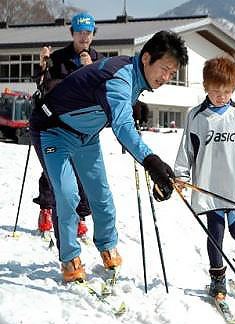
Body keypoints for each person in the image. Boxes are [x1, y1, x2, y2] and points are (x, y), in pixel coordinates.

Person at [29, 30, 188, 282]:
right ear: (146, 58)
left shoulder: (135, 77)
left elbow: (114, 109)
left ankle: (107, 245)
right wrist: (151, 161)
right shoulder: (120, 76)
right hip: (53, 130)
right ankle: (70, 257)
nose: (166, 78)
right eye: (164, 69)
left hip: (87, 136)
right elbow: (122, 126)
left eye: (172, 73)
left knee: (100, 194)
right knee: (68, 194)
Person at [174, 55, 235, 297]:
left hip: (234, 188)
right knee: (215, 236)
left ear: (233, 89)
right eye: (215, 91)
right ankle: (218, 278)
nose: (221, 96)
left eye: (226, 91)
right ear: (205, 87)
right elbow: (186, 150)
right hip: (208, 189)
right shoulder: (196, 116)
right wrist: (181, 176)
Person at [33, 12, 103, 239]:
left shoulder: (98, 60)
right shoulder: (59, 57)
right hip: (55, 124)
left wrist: (91, 69)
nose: (84, 37)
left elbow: (103, 91)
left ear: (93, 34)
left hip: (84, 127)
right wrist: (43, 63)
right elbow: (43, 85)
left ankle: (80, 216)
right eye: (80, 32)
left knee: (82, 174)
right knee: (55, 172)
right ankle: (46, 208)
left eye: (88, 33)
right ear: (72, 33)